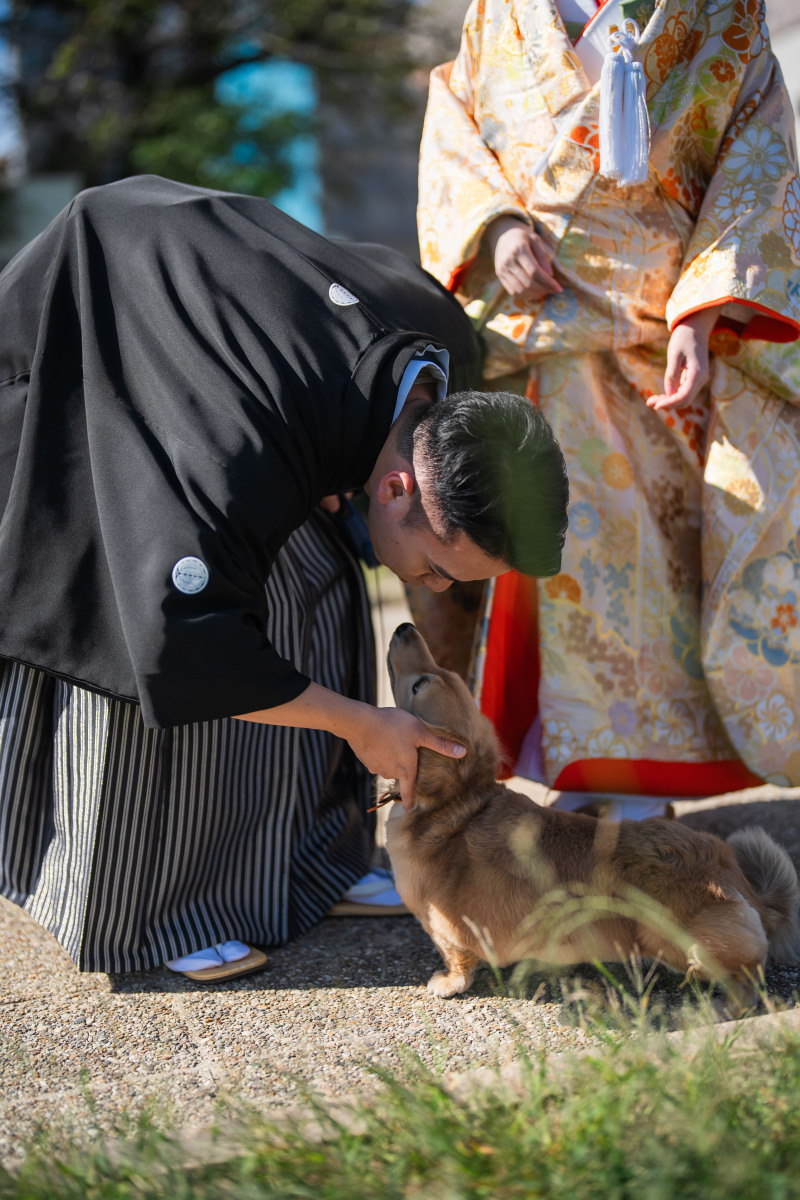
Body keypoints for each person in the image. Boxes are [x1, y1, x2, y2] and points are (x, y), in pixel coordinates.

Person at [0, 174, 569, 978]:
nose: (437, 589)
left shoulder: (435, 343)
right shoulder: (236, 450)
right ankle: (166, 913)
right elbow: (188, 639)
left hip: (215, 333)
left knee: (319, 580)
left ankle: (314, 866)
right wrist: (359, 724)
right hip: (89, 338)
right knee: (162, 627)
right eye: (441, 570)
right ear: (398, 486)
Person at [416, 0, 800, 817]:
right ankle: (572, 763)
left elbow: (753, 163)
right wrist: (497, 228)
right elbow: (455, 113)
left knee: (647, 564)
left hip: (663, 329)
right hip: (544, 329)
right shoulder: (501, 10)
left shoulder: (719, 11)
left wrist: (702, 311)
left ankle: (625, 779)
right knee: (548, 554)